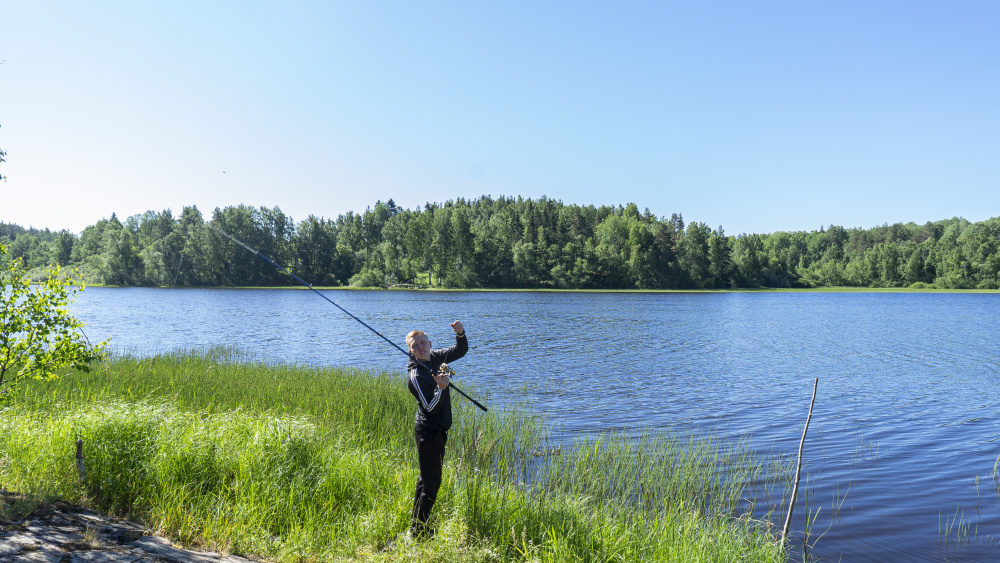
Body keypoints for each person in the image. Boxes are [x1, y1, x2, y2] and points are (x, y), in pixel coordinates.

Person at [405, 320, 467, 539]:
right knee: (431, 483)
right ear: (410, 351)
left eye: (423, 342)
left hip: (439, 430)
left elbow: (460, 350)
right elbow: (430, 407)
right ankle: (419, 532)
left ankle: (416, 527)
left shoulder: (436, 358)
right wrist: (441, 390)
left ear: (430, 344)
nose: (421, 347)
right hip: (428, 432)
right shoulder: (415, 376)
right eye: (416, 346)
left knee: (426, 480)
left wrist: (460, 333)